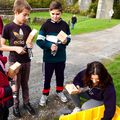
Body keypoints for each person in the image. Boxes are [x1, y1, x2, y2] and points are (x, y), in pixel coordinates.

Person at [0, 0, 35, 118]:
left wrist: (30, 46)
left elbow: (30, 43)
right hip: (14, 62)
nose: (26, 17)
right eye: (24, 14)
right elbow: (2, 46)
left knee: (25, 84)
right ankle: (15, 105)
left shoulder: (27, 28)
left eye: (28, 15)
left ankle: (26, 103)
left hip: (26, 61)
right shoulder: (8, 27)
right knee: (16, 85)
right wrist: (15, 48)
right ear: (16, 12)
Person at [36, 1, 71, 106]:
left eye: (58, 14)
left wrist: (66, 41)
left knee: (60, 76)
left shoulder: (65, 25)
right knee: (47, 77)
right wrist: (49, 45)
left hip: (61, 58)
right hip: (48, 58)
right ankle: (45, 94)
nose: (55, 16)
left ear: (61, 13)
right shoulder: (45, 25)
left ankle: (59, 92)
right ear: (49, 12)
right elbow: (39, 41)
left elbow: (69, 38)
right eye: (53, 14)